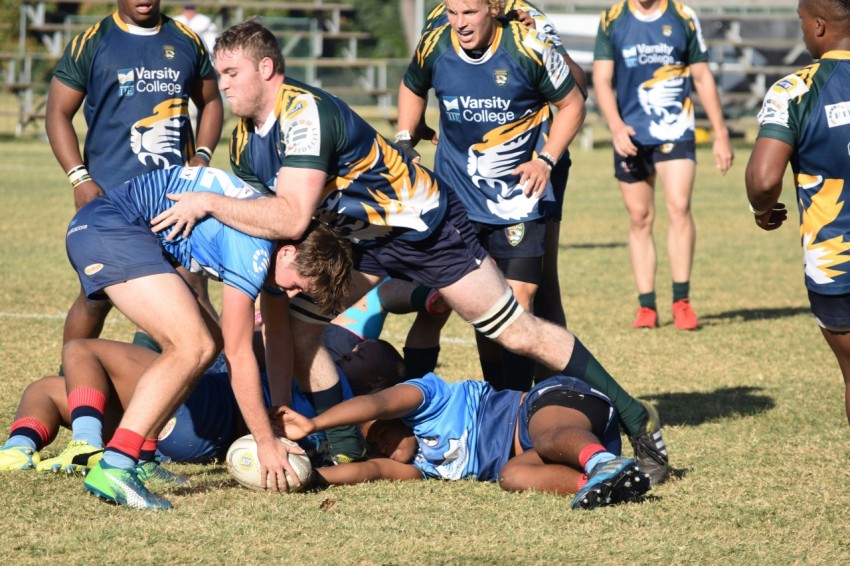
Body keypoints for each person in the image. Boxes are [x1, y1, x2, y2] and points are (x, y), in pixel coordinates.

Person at [150, 20, 670, 487]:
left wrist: (208, 202)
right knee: (297, 326)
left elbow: (290, 216)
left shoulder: (303, 112)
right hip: (357, 242)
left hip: (423, 228)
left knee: (515, 330)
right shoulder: (244, 144)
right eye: (219, 73)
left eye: (232, 72)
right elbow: (278, 234)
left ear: (266, 68)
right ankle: (340, 446)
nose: (223, 84)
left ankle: (631, 414)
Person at [65, 165, 352, 509]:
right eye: (296, 285)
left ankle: (142, 455)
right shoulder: (257, 248)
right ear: (289, 252)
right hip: (108, 227)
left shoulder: (274, 242)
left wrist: (278, 412)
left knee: (207, 344)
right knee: (193, 345)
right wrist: (264, 442)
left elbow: (277, 335)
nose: (290, 294)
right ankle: (116, 464)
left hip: (116, 227)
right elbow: (239, 354)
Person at [396, 0, 585, 392]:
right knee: (462, 302)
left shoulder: (528, 37)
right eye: (453, 12)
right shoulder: (436, 38)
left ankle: (527, 401)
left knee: (523, 299)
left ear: (493, 8)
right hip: (457, 194)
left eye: (469, 13)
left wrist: (546, 159)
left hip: (519, 193)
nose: (459, 23)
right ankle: (478, 399)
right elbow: (413, 83)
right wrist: (405, 136)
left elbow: (574, 96)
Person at [45, 0, 224, 349]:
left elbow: (212, 101)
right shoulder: (93, 42)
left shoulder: (186, 39)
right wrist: (80, 178)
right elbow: (57, 113)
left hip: (173, 196)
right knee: (98, 296)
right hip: (111, 199)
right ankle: (70, 377)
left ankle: (214, 389)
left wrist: (201, 156)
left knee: (192, 289)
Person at [0, 335, 406, 474]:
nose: (351, 350)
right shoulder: (328, 388)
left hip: (206, 404)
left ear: (378, 381)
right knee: (48, 388)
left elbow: (392, 442)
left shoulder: (351, 400)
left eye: (363, 352)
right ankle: (18, 451)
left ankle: (86, 443)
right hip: (180, 438)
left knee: (81, 350)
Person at [277, 371, 651, 510]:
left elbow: (375, 402)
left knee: (550, 437)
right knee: (511, 477)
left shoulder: (428, 397)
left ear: (395, 415)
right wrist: (308, 478)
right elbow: (372, 470)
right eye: (374, 444)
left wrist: (313, 424)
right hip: (548, 452)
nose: (381, 444)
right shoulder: (422, 467)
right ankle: (607, 483)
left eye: (380, 431)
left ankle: (601, 462)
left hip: (553, 406)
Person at [592, 0, 733, 330]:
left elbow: (701, 76)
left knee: (679, 206)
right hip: (631, 135)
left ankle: (682, 301)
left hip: (676, 129)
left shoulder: (683, 16)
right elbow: (601, 80)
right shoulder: (612, 19)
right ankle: (646, 306)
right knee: (640, 217)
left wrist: (721, 133)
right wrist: (615, 126)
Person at [745, 0, 850, 426]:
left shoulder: (796, 90)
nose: (802, 30)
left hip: (837, 265)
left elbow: (764, 179)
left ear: (820, 27)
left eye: (803, 22)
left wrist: (763, 210)